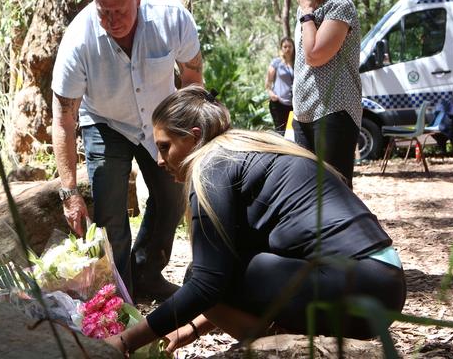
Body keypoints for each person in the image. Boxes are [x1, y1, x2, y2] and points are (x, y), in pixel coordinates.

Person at [105, 85, 406, 355]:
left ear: (194, 137)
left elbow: (208, 285)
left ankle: (282, 351)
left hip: (358, 285)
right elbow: (229, 275)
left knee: (198, 274)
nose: (159, 160)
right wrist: (189, 330)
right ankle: (288, 344)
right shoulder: (244, 150)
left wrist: (125, 342)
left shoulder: (212, 165)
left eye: (164, 146)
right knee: (212, 271)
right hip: (385, 286)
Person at [51, 0, 203, 300]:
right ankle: (119, 300)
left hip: (161, 120)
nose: (111, 20)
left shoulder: (171, 17)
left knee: (171, 199)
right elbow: (63, 118)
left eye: (119, 10)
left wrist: (189, 138)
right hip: (105, 123)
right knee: (110, 217)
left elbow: (193, 76)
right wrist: (69, 192)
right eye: (103, 10)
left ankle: (146, 272)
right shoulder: (78, 40)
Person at [290, 0, 362, 188]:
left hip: (334, 111)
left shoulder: (340, 6)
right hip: (303, 114)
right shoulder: (304, 12)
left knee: (335, 193)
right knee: (308, 194)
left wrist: (308, 14)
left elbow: (315, 55)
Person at [265, 36, 295, 135]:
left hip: (294, 104)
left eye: (290, 46)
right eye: (285, 46)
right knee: (281, 132)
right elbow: (268, 82)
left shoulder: (297, 63)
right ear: (281, 48)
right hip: (279, 103)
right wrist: (271, 94)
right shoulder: (276, 63)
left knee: (293, 132)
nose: (287, 49)